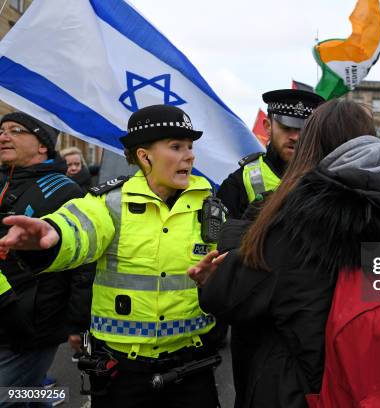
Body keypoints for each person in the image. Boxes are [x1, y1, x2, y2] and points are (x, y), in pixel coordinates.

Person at [189, 100, 380, 407]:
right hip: (374, 387)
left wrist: (213, 276)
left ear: (311, 147)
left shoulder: (294, 226)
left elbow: (226, 297)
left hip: (301, 390)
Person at [0, 105, 221, 407]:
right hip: (123, 372)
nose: (190, 155)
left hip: (191, 367)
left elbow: (234, 270)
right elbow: (80, 225)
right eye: (176, 146)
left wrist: (218, 282)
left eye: (190, 147)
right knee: (10, 396)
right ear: (145, 156)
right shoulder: (109, 202)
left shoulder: (213, 209)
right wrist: (54, 236)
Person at [0, 112, 93, 405]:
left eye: (16, 130)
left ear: (43, 144)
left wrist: (78, 324)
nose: (3, 136)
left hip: (31, 323)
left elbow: (82, 263)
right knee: (22, 393)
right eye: (1, 130)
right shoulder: (4, 181)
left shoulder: (65, 190)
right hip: (4, 313)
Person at [217, 89, 324, 219]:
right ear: (268, 126)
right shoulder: (239, 182)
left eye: (303, 129)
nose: (295, 137)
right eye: (286, 128)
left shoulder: (324, 178)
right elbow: (220, 237)